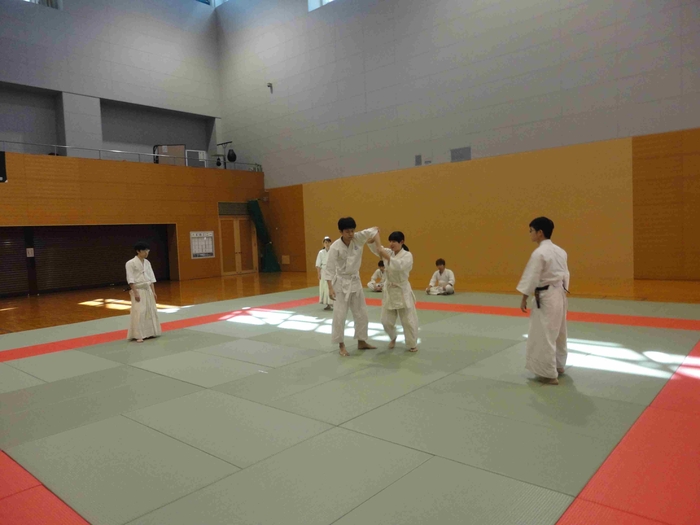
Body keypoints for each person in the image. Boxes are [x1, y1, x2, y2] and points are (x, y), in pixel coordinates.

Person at [517, 217, 569, 385]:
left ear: (540, 232)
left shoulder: (539, 253)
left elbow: (532, 276)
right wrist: (563, 290)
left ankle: (548, 374)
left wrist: (524, 297)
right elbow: (566, 274)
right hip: (559, 294)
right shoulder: (561, 251)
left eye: (531, 231)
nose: (530, 234)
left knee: (544, 333)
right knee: (559, 331)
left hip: (546, 296)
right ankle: (559, 365)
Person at [323, 217, 379, 357]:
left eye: (352, 231)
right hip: (340, 282)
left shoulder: (358, 238)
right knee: (340, 315)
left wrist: (376, 244)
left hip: (355, 280)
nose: (351, 234)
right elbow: (329, 268)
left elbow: (374, 230)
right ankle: (341, 345)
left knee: (362, 313)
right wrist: (330, 288)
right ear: (341, 232)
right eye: (347, 231)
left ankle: (361, 341)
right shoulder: (335, 247)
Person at [372, 231, 419, 352]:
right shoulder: (389, 252)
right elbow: (377, 249)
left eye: (394, 241)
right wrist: (374, 237)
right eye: (390, 241)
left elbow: (399, 266)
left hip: (402, 290)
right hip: (390, 290)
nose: (391, 244)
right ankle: (393, 336)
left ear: (401, 242)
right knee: (385, 321)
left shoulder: (407, 255)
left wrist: (386, 256)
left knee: (408, 321)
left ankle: (412, 343)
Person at [126, 241, 162, 343]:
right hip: (138, 289)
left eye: (147, 251)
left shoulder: (147, 263)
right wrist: (135, 292)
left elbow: (151, 278)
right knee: (139, 311)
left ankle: (151, 332)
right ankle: (138, 335)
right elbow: (130, 279)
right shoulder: (130, 263)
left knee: (150, 310)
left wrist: (153, 292)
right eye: (144, 251)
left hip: (148, 289)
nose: (146, 253)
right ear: (138, 251)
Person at [316, 236, 334, 310]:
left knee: (332, 286)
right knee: (324, 287)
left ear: (330, 243)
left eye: (328, 242)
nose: (327, 244)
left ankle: (333, 303)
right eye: (325, 242)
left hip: (332, 271)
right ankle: (327, 304)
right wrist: (318, 273)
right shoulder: (321, 252)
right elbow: (318, 264)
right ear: (323, 244)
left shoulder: (333, 251)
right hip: (323, 271)